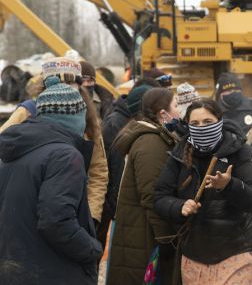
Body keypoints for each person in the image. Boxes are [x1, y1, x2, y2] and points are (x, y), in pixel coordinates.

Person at [0, 77, 102, 285]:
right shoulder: (64, 156)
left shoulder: (15, 147)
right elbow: (56, 221)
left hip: (15, 267)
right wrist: (92, 249)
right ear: (75, 118)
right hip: (52, 270)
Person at [154, 98, 252, 285]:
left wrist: (230, 186)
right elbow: (159, 197)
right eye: (195, 124)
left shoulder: (243, 152)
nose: (202, 128)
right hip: (194, 254)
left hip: (237, 251)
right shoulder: (180, 154)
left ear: (220, 121)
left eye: (208, 122)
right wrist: (179, 207)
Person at [0, 57, 109, 227]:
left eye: (70, 83)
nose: (65, 88)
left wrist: (91, 215)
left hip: (75, 210)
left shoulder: (88, 119)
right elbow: (5, 145)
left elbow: (98, 171)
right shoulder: (28, 111)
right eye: (59, 82)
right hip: (30, 211)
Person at [107, 88, 179, 285]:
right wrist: (168, 238)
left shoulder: (158, 138)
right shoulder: (151, 143)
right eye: (176, 105)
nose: (181, 109)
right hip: (146, 238)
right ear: (163, 114)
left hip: (144, 234)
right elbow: (151, 195)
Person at [98, 81, 155, 251]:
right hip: (113, 203)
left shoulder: (129, 120)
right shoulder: (116, 123)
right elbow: (115, 167)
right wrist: (115, 206)